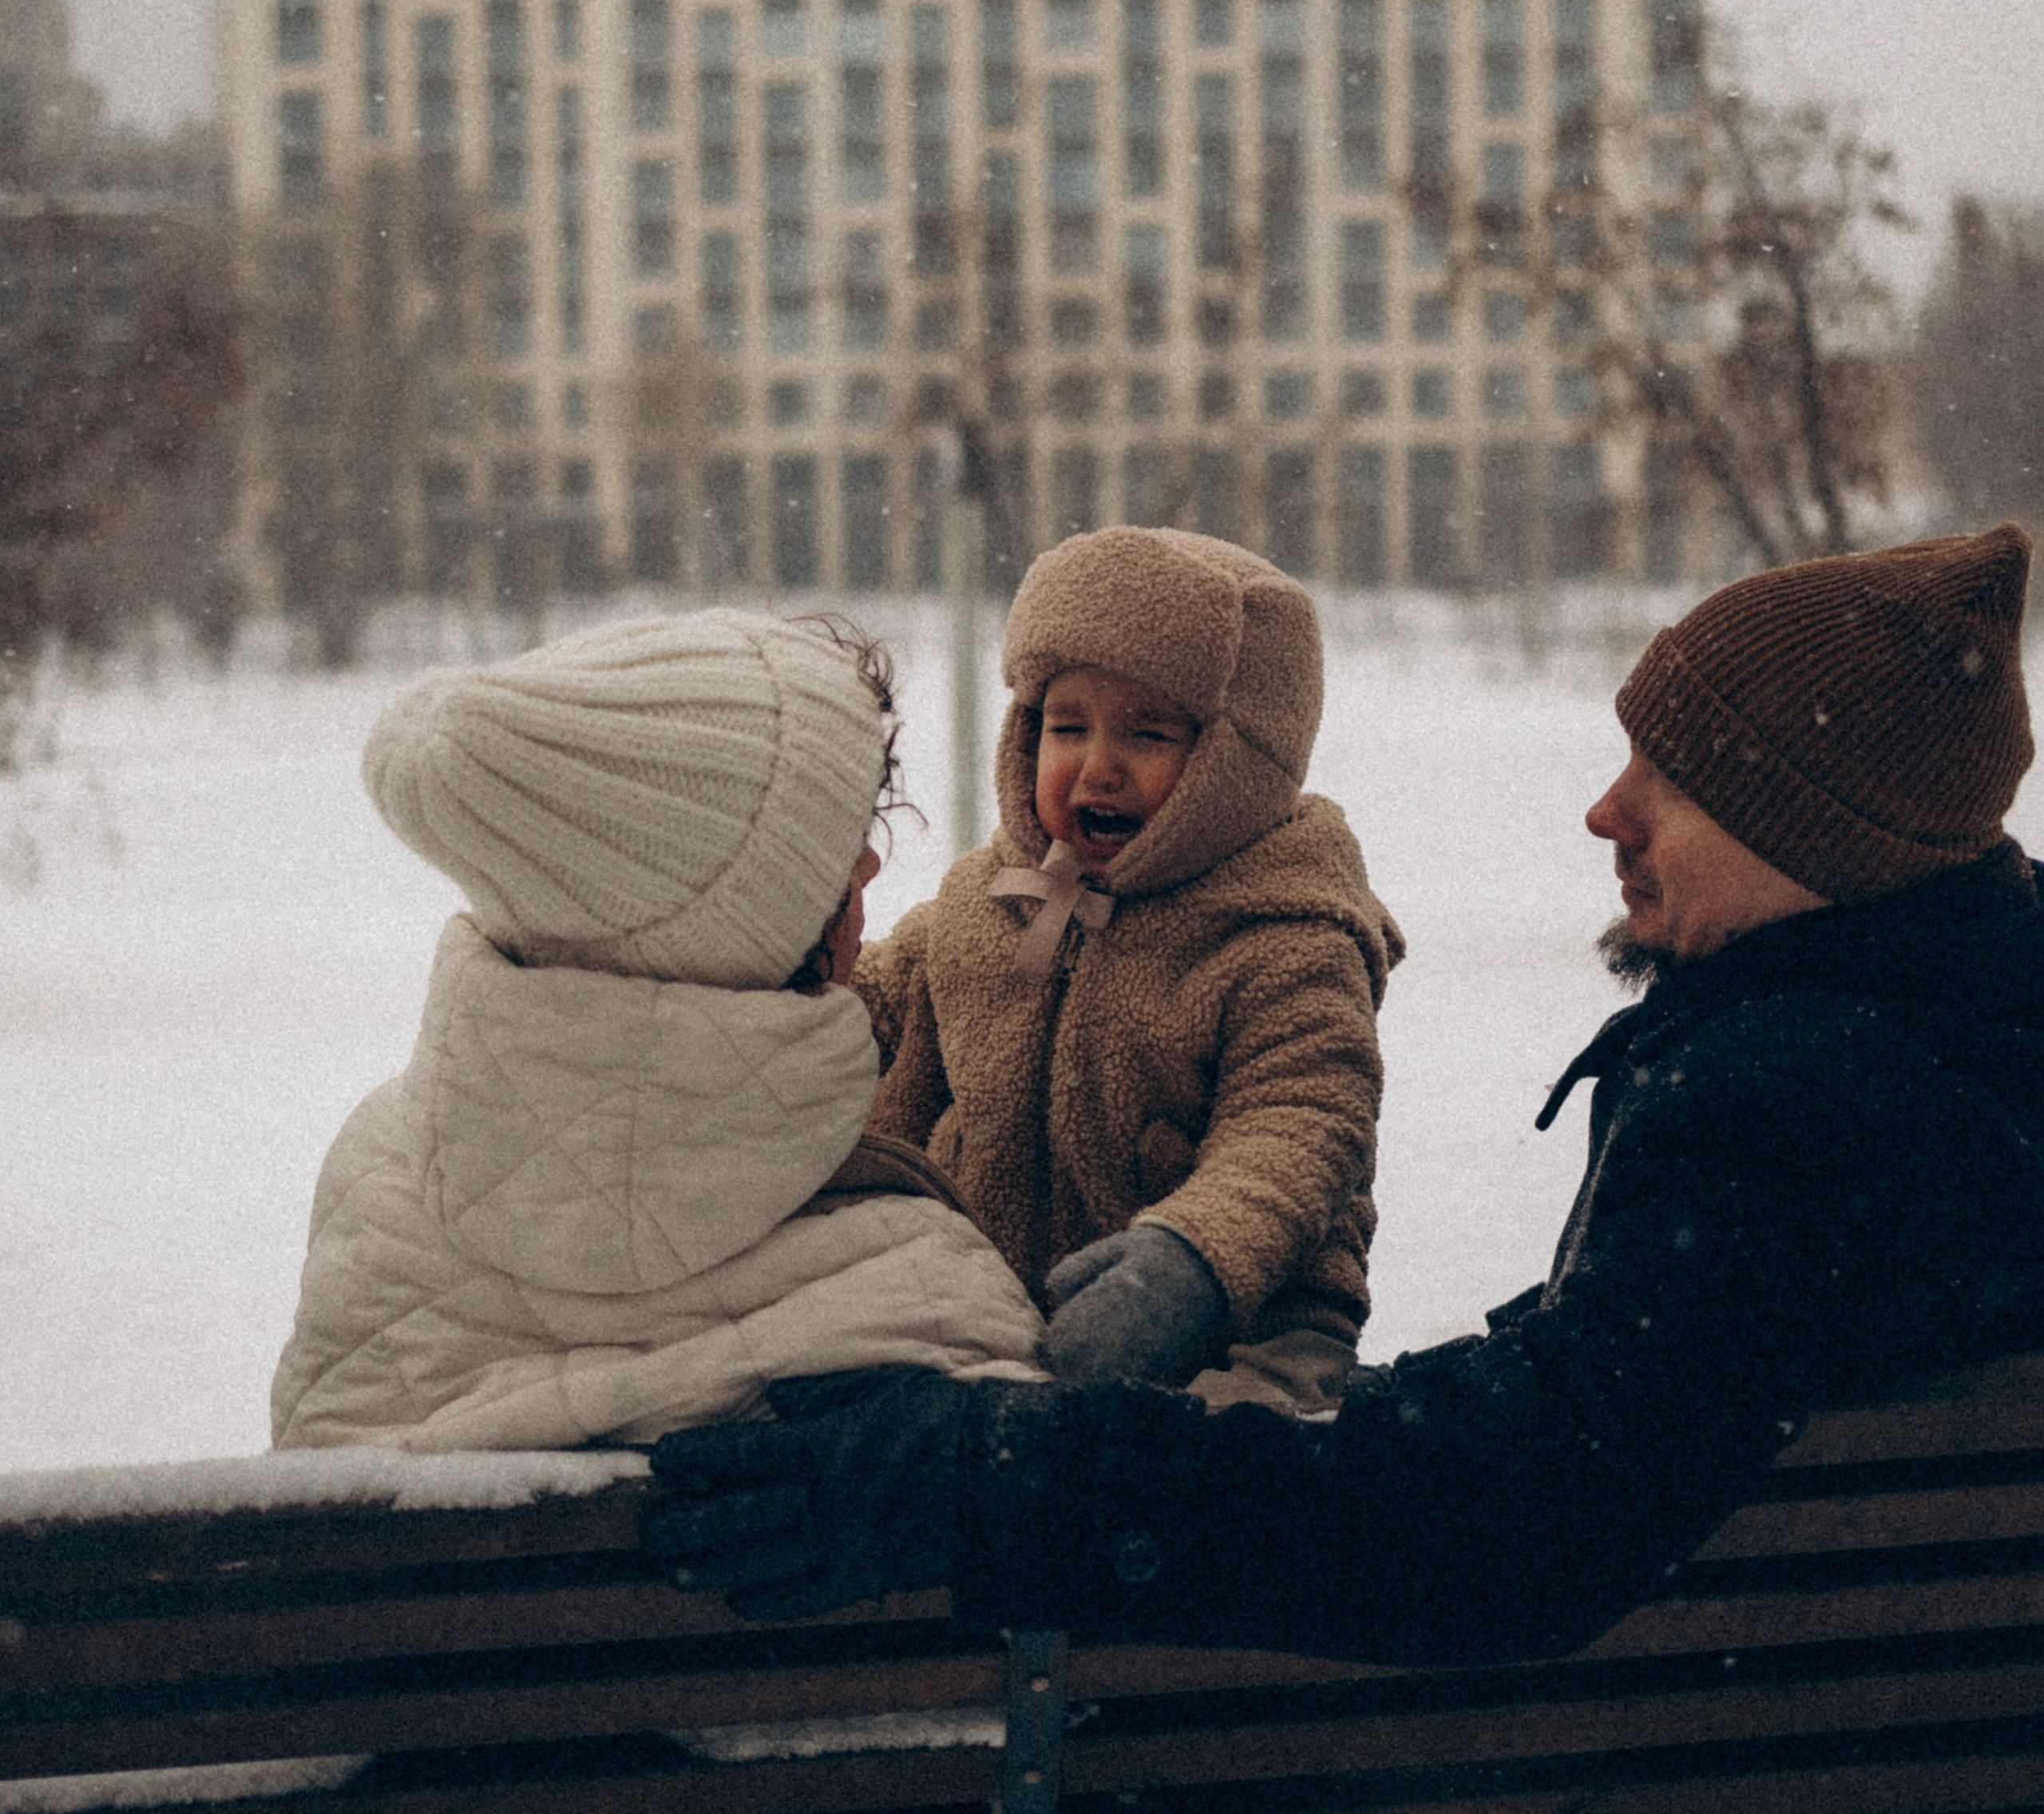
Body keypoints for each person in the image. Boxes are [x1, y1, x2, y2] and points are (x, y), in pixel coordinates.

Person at [643, 526, 2044, 1662]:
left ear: (1818, 833)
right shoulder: (1959, 1049)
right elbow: (1628, 1411)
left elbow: (1515, 1514)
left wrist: (988, 1479)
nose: (1606, 814)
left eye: (1668, 782)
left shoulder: (1793, 1113)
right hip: (1860, 1812)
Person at [271, 612, 1044, 1453]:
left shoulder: (378, 1183)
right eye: (838, 851)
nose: (869, 866)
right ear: (746, 933)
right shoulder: (912, 1284)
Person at [850, 525, 1402, 1414]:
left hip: (1239, 1331)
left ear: (1238, 761)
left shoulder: (1286, 933)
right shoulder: (987, 903)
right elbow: (868, 1012)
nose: (1095, 768)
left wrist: (1194, 1259)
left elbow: (1301, 1120)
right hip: (994, 1326)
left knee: (1228, 1485)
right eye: (1066, 728)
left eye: (1146, 733)